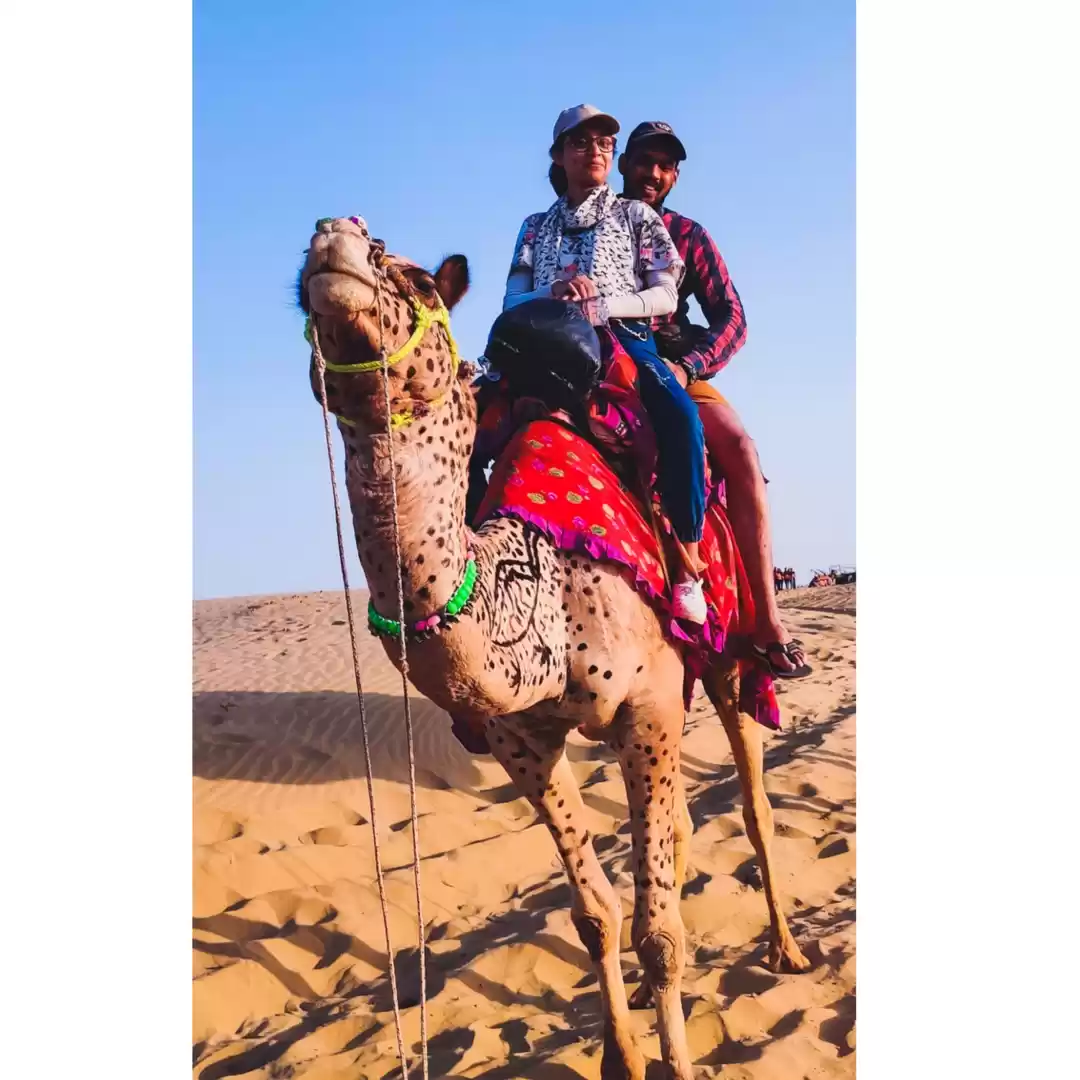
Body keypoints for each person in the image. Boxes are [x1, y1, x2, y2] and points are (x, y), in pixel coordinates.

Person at [617, 121, 810, 678]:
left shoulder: (687, 236)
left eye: (666, 166)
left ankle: (768, 624)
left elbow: (732, 316)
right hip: (597, 359)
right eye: (645, 161)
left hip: (671, 365)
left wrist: (690, 366)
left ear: (676, 176)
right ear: (625, 163)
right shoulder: (595, 223)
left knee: (741, 450)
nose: (653, 173)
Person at [503, 104, 709, 624]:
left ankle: (688, 561)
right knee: (471, 418)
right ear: (558, 155)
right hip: (546, 343)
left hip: (622, 339)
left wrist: (603, 304)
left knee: (681, 416)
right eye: (580, 142)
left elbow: (665, 294)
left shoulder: (636, 216)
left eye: (603, 143)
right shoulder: (534, 228)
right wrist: (554, 291)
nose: (593, 151)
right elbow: (511, 301)